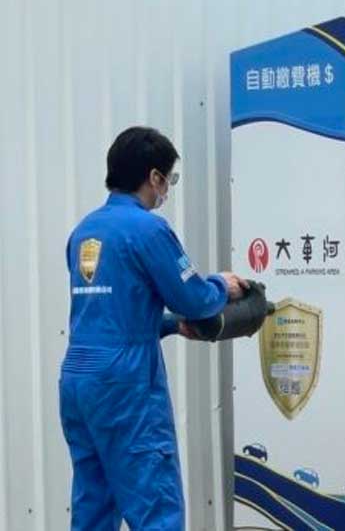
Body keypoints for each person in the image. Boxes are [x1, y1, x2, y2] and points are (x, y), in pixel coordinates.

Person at [59, 126, 248, 530]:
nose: (167, 190)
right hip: (125, 385)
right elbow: (194, 299)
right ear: (154, 177)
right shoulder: (148, 229)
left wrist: (170, 326)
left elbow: (108, 313)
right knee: (155, 506)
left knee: (94, 502)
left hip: (77, 382)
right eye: (169, 180)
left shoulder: (83, 232)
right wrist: (221, 285)